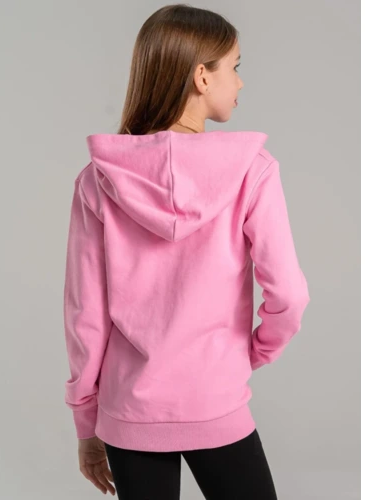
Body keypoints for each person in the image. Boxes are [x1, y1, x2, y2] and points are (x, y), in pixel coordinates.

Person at [62, 4, 310, 499]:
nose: (240, 82)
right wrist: (252, 353)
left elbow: (85, 317)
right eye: (234, 67)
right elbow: (289, 295)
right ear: (202, 76)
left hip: (129, 409)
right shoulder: (252, 170)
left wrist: (86, 423)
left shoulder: (99, 180)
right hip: (215, 398)